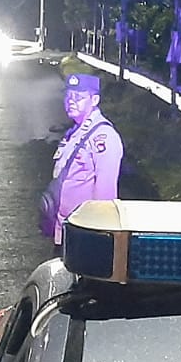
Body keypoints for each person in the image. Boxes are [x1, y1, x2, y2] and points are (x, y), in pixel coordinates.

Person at [44, 72, 124, 246]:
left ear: (94, 100)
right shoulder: (76, 132)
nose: (71, 101)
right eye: (68, 96)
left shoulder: (103, 137)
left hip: (84, 234)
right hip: (66, 229)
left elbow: (105, 194)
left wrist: (98, 237)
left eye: (78, 97)